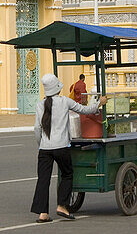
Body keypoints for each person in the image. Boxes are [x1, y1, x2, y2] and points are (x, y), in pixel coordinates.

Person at [32, 74, 105, 223]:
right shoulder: (65, 101)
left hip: (45, 149)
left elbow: (37, 129)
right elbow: (85, 110)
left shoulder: (40, 104)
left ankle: (43, 213)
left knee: (43, 180)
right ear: (58, 88)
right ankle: (62, 206)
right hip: (61, 146)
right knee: (67, 174)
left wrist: (41, 145)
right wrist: (99, 103)